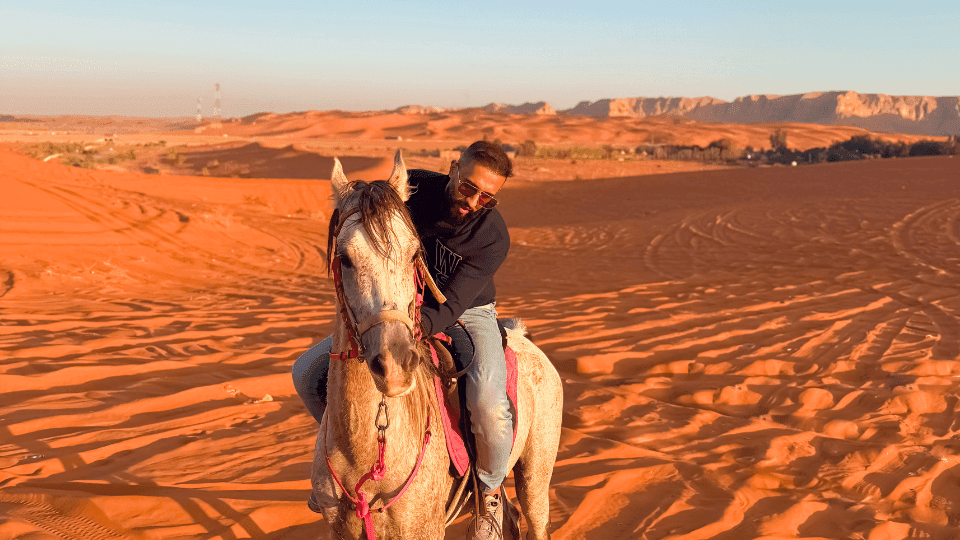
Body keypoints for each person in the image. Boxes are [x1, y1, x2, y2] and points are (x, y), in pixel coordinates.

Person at [292, 140, 513, 538]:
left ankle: (490, 492)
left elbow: (456, 301)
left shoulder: (492, 235)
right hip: (400, 303)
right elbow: (370, 210)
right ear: (454, 170)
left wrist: (416, 327)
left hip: (468, 311)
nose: (475, 201)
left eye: (488, 197)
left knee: (488, 403)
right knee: (307, 372)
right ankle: (338, 460)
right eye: (469, 188)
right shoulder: (416, 192)